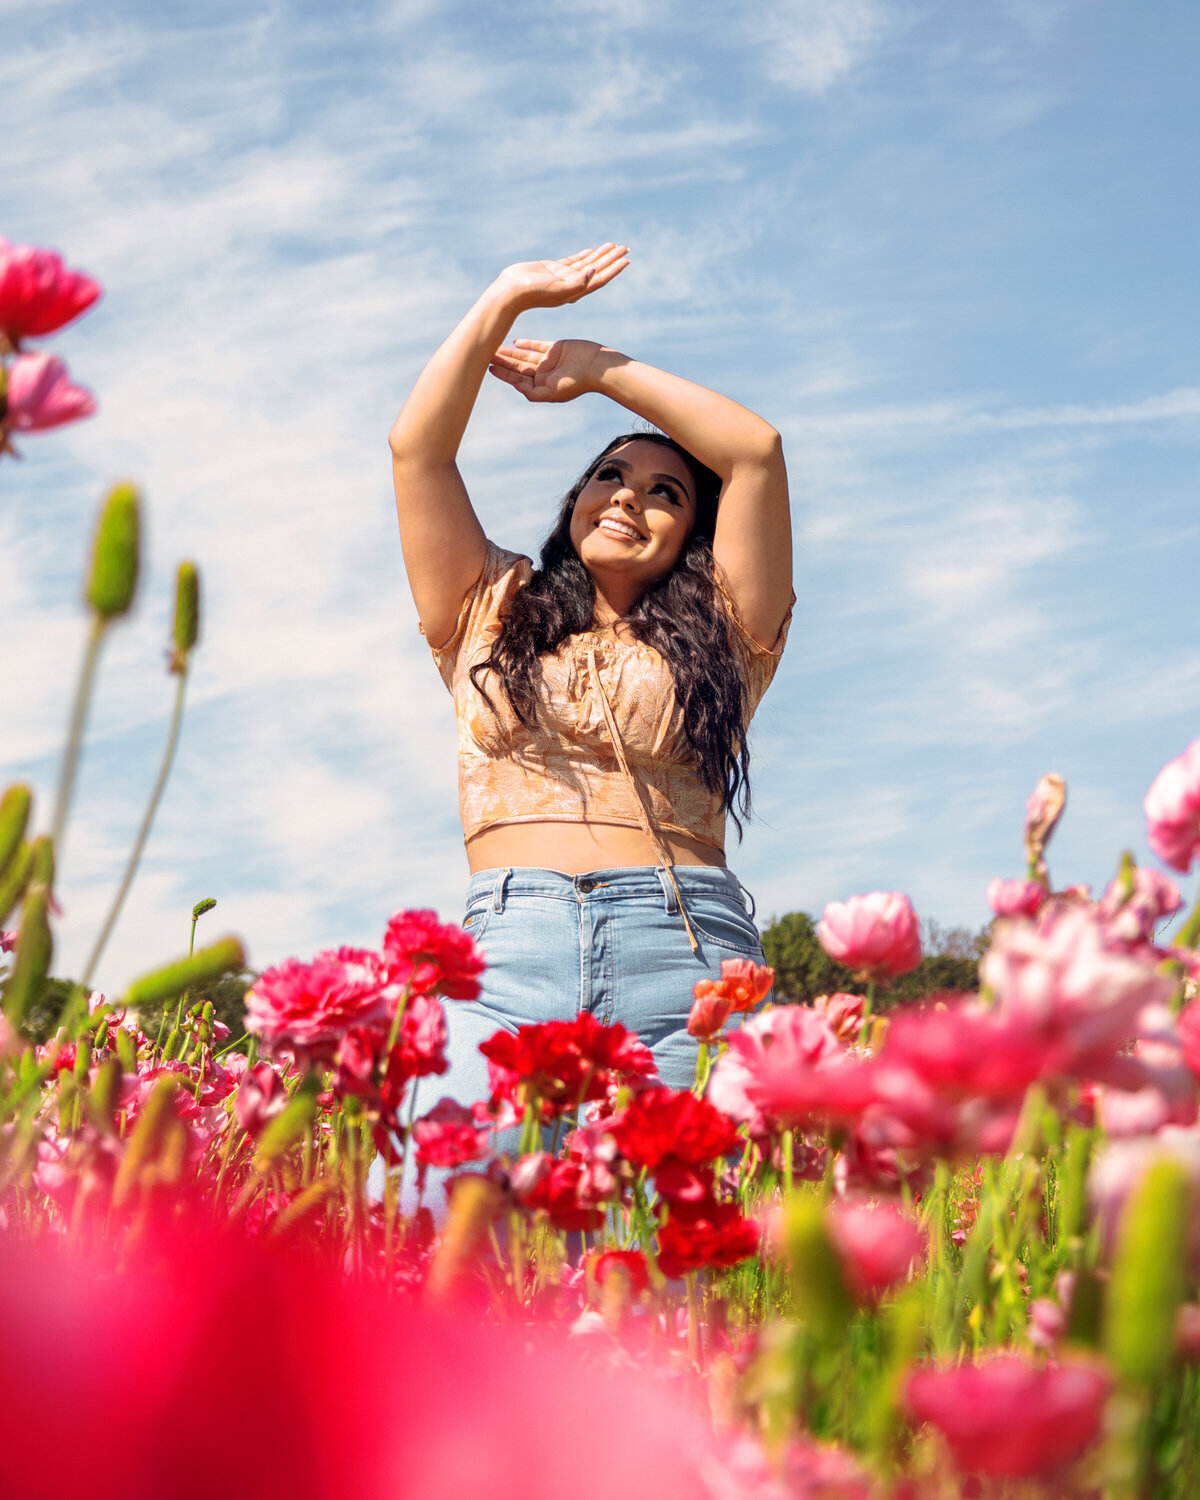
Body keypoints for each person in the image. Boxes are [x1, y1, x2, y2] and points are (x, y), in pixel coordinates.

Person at [388, 244, 793, 1110]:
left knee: (671, 1235)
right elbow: (418, 453)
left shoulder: (729, 633)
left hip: (683, 949)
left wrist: (600, 371)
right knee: (459, 1225)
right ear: (575, 500)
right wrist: (504, 297)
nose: (626, 497)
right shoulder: (487, 606)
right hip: (506, 946)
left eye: (664, 493)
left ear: (692, 536)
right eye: (609, 475)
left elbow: (756, 451)